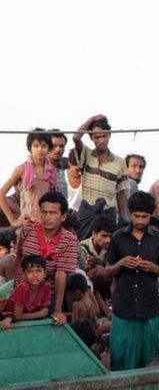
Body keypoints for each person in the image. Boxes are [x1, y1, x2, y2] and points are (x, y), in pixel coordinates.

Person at [104, 191, 159, 370]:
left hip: (149, 310)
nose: (140, 221)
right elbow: (107, 271)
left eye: (145, 216)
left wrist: (154, 268)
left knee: (150, 362)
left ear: (151, 215)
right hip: (123, 309)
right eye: (136, 216)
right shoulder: (118, 237)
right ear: (130, 213)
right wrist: (121, 263)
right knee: (121, 360)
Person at [14, 191, 77, 326]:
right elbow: (19, 260)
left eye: (52, 213)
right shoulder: (27, 230)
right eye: (44, 212)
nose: (47, 217)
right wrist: (16, 291)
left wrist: (57, 310)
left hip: (46, 297)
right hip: (21, 292)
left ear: (63, 216)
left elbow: (61, 274)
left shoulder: (69, 240)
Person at [1, 129, 56, 226]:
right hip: (28, 224)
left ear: (49, 148)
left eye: (44, 146)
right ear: (29, 148)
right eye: (36, 146)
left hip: (48, 224)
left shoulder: (51, 171)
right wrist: (13, 221)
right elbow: (1, 194)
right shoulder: (22, 169)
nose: (40, 149)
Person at [0, 255, 51, 330]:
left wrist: (41, 314)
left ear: (44, 274)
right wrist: (40, 314)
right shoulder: (22, 288)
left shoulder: (46, 287)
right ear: (23, 275)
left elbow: (45, 311)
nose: (35, 275)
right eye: (30, 271)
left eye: (38, 270)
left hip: (29, 323)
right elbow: (17, 316)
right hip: (8, 321)